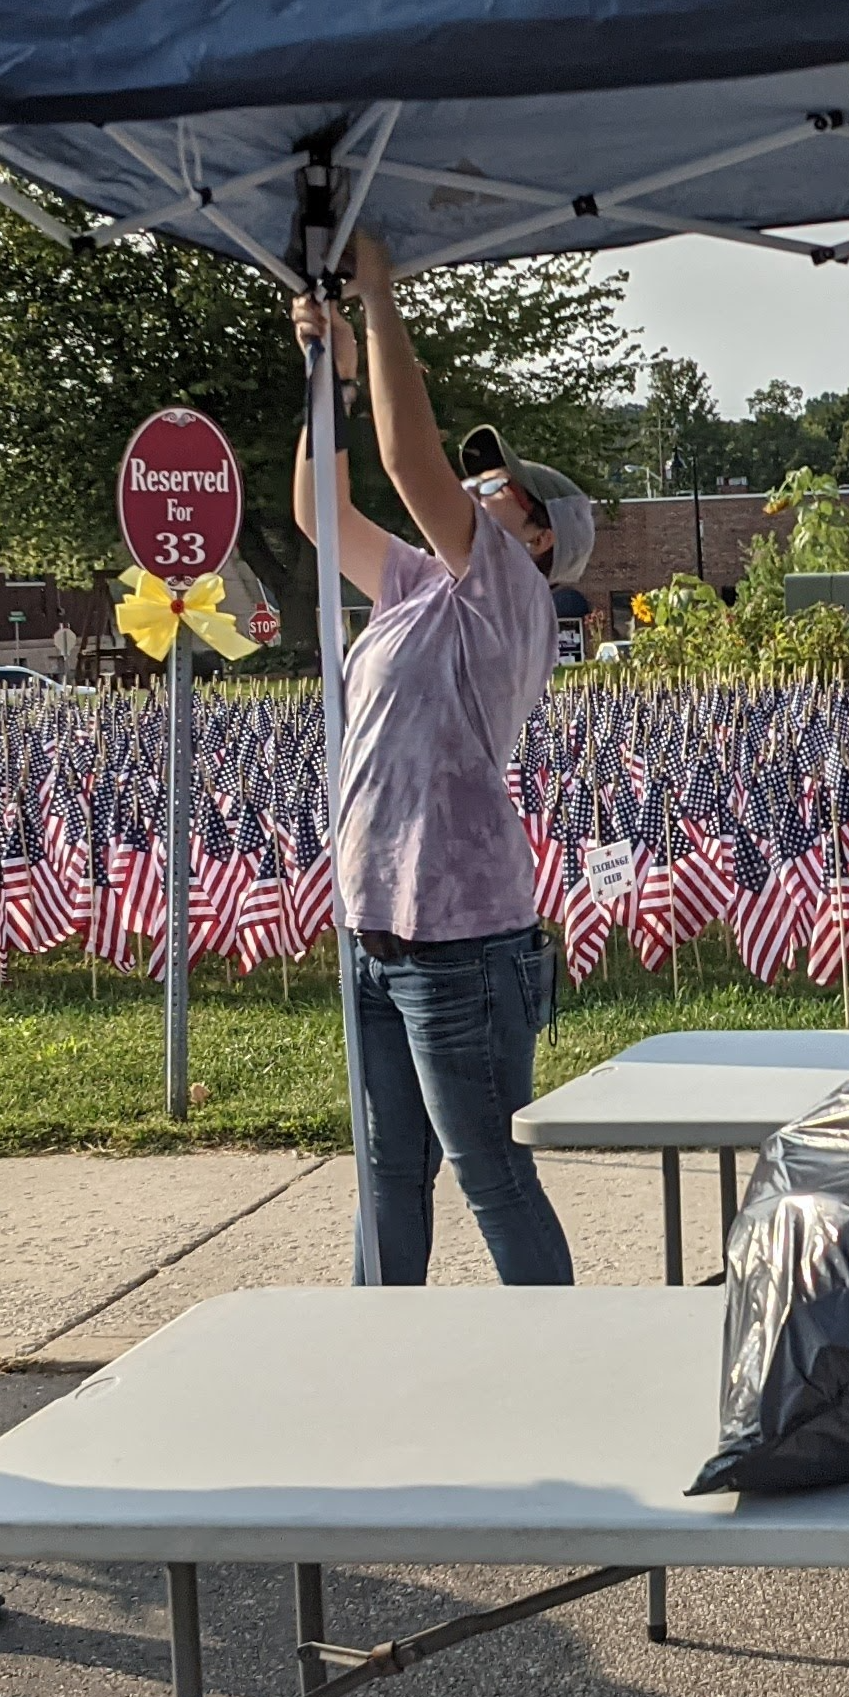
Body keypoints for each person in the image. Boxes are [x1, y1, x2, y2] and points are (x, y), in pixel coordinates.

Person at [292, 229, 592, 1285]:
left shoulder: (510, 592)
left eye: (500, 485)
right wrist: (321, 383)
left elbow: (405, 461)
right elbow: (320, 512)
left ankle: (561, 1367)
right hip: (379, 925)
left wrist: (377, 302)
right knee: (387, 1174)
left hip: (463, 939)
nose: (477, 486)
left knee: (491, 1174)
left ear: (540, 538)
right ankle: (385, 1368)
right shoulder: (419, 587)